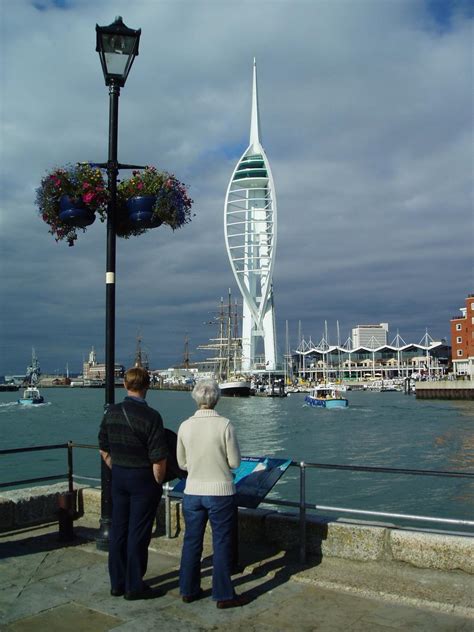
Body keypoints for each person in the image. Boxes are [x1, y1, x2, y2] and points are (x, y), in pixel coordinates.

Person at [177, 378, 250, 609]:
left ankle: (188, 590)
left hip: (192, 491)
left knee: (191, 541)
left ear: (196, 398)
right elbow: (236, 462)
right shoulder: (225, 425)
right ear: (216, 398)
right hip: (221, 491)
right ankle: (223, 594)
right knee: (221, 542)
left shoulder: (185, 425)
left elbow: (181, 462)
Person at [98, 366, 168, 600]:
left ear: (125, 386)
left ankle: (116, 583)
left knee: (118, 529)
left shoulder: (112, 413)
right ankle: (134, 585)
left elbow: (103, 446)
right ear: (147, 386)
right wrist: (157, 482)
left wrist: (115, 466)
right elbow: (158, 458)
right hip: (143, 479)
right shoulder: (152, 417)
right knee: (138, 532)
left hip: (119, 476)